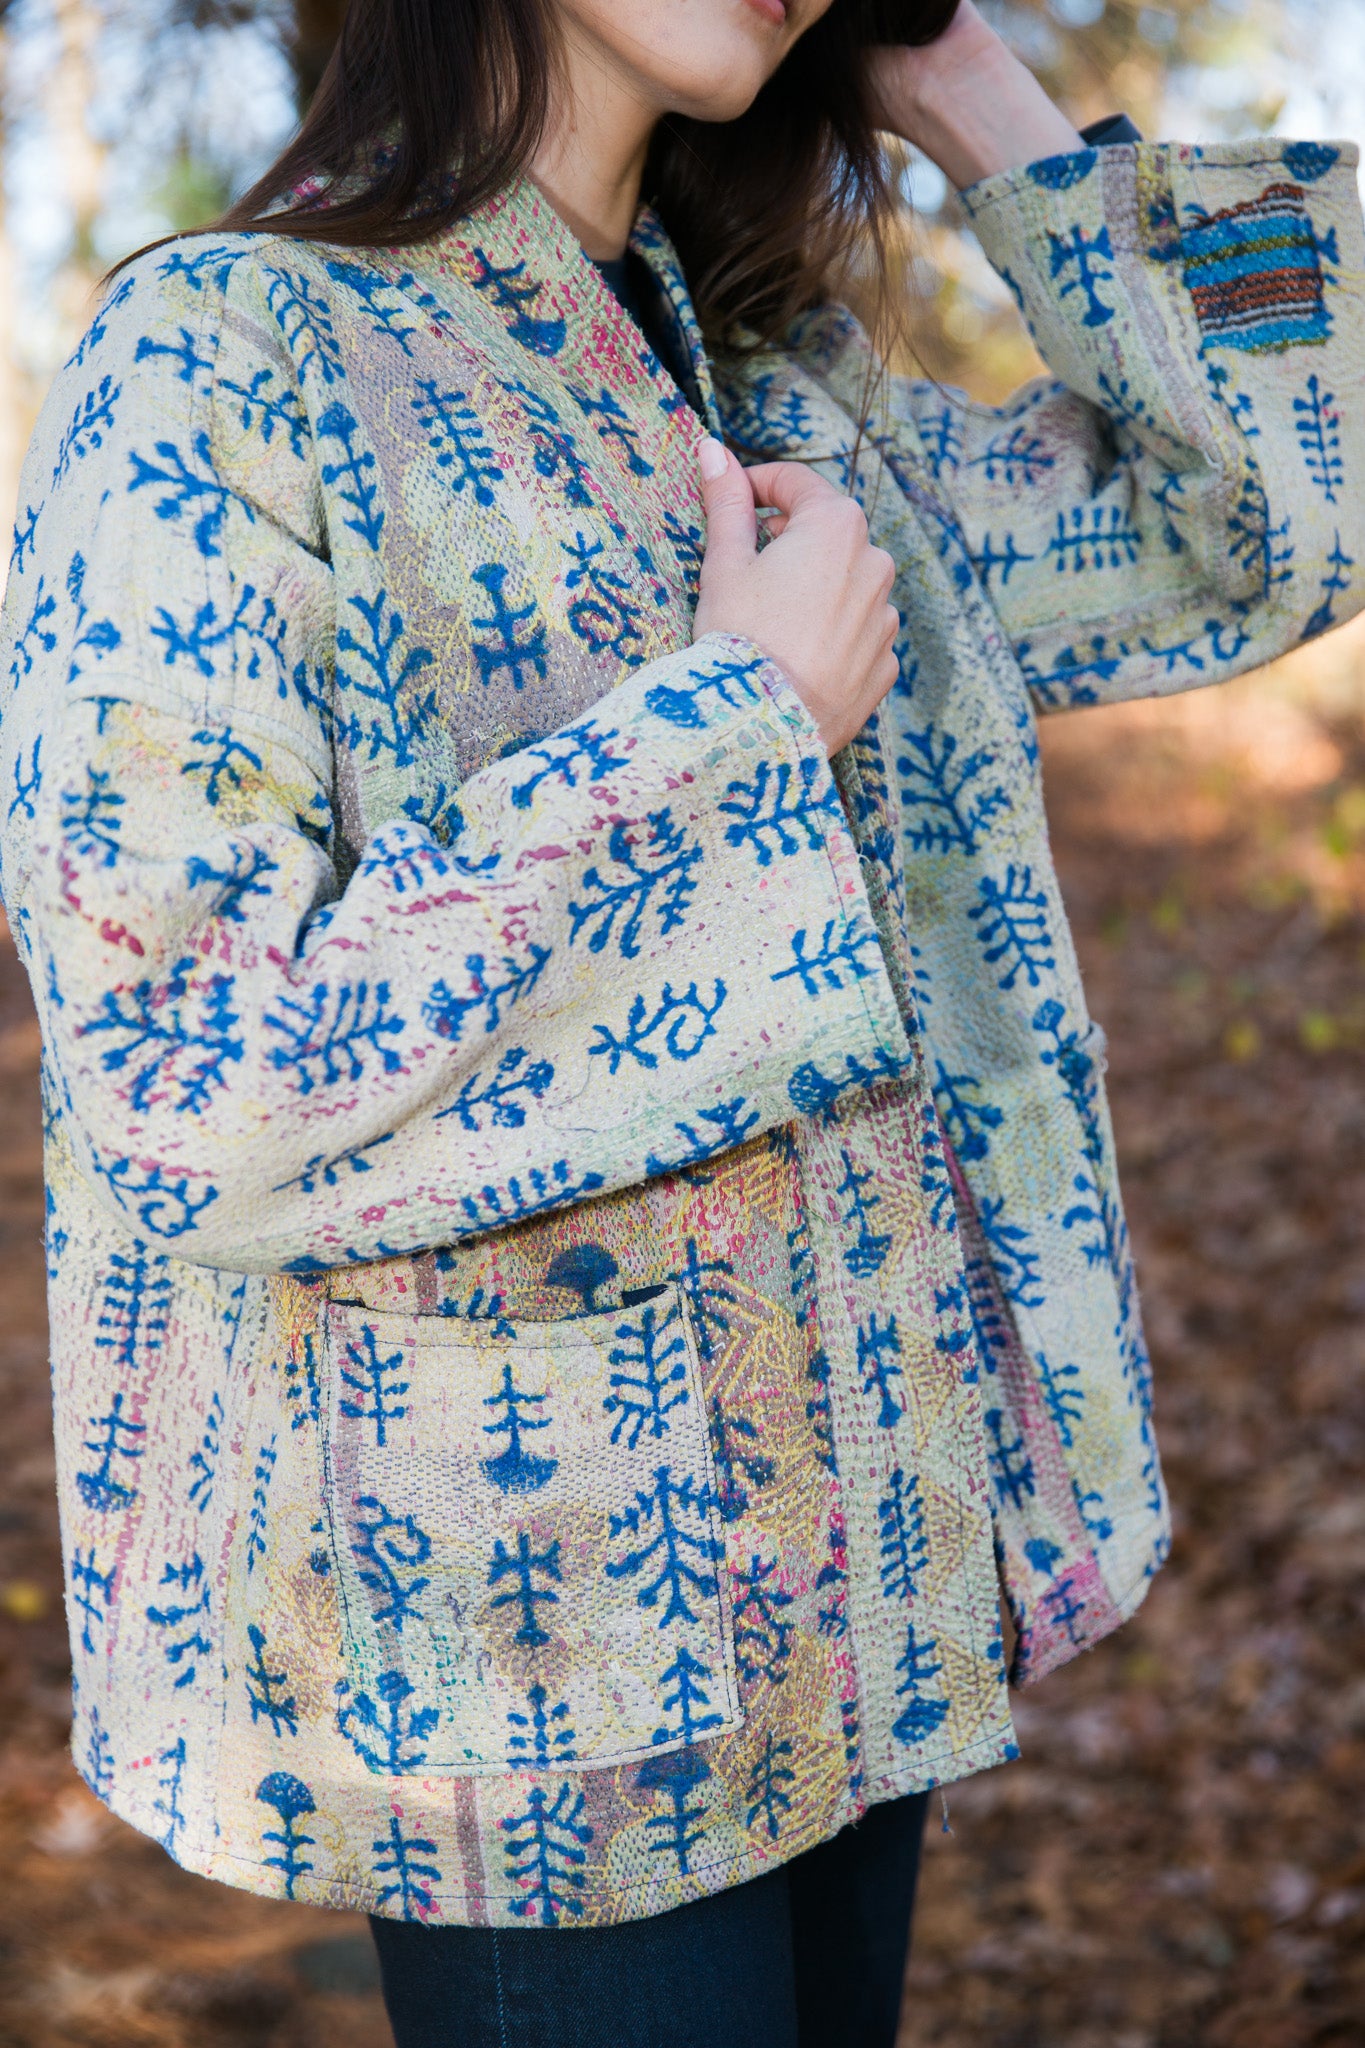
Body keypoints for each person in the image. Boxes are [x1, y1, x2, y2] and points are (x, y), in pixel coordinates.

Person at [3, 1, 1362, 2041]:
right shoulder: (221, 354)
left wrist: (969, 93)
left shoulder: (781, 388)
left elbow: (1262, 528)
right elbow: (183, 1072)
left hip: (865, 1563)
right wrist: (731, 729)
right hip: (530, 1680)